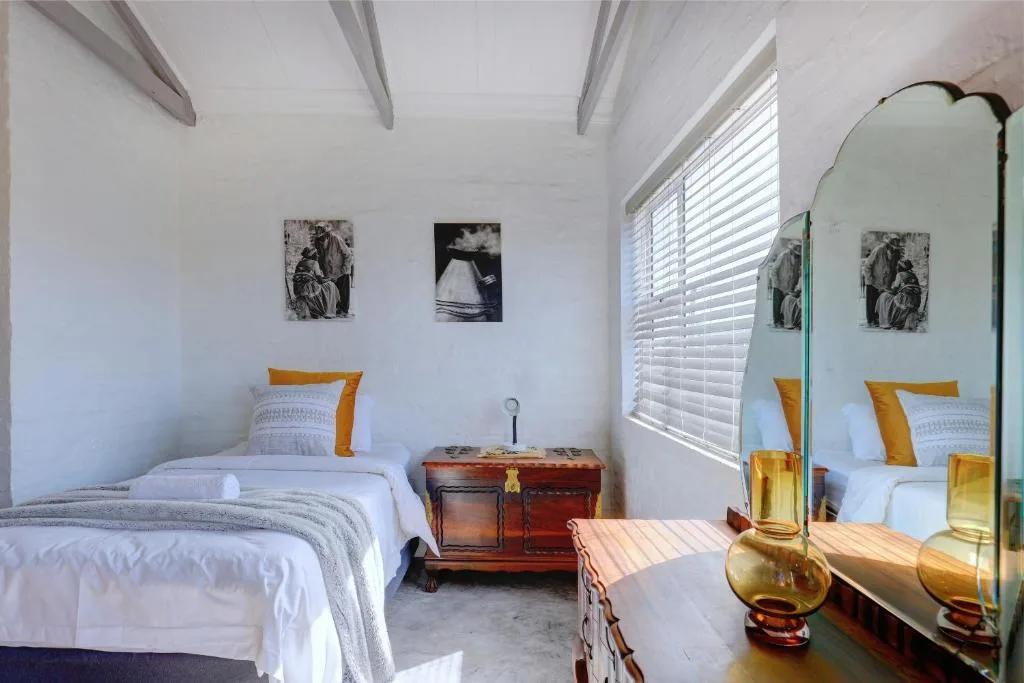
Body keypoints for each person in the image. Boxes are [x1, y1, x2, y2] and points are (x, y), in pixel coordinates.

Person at [313, 222, 354, 317]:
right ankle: (336, 310)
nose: (320, 239)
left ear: (326, 233)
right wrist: (320, 271)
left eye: (322, 236)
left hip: (341, 270)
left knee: (344, 295)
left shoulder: (336, 239)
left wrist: (345, 269)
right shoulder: (317, 242)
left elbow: (347, 254)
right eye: (319, 237)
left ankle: (344, 312)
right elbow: (319, 257)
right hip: (329, 272)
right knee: (333, 293)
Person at [862, 234, 901, 327]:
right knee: (871, 303)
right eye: (893, 247)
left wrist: (893, 282)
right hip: (873, 281)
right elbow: (867, 265)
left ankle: (878, 320)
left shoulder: (896, 253)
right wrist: (870, 280)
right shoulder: (878, 250)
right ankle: (871, 321)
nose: (894, 249)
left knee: (881, 302)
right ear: (888, 245)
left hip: (885, 283)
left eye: (896, 247)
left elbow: (894, 269)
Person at [291, 247, 339, 320]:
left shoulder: (300, 263)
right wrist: (330, 279)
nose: (317, 256)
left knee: (321, 284)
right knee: (330, 285)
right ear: (312, 255)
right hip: (308, 289)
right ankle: (327, 310)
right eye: (316, 254)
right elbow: (320, 281)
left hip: (297, 288)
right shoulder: (314, 263)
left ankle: (318, 310)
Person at [877, 259, 923, 330]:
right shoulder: (913, 274)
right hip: (915, 300)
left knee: (884, 296)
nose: (896, 267)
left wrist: (885, 290)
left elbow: (894, 292)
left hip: (905, 300)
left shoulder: (900, 274)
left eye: (898, 266)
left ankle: (887, 321)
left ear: (901, 267)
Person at [769, 241, 801, 328]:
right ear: (791, 251)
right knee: (777, 307)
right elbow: (773, 271)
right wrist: (777, 285)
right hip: (779, 286)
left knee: (785, 306)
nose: (797, 255)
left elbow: (796, 275)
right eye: (795, 253)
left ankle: (784, 322)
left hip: (789, 288)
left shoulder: (798, 260)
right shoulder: (783, 256)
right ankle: (777, 322)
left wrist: (793, 289)